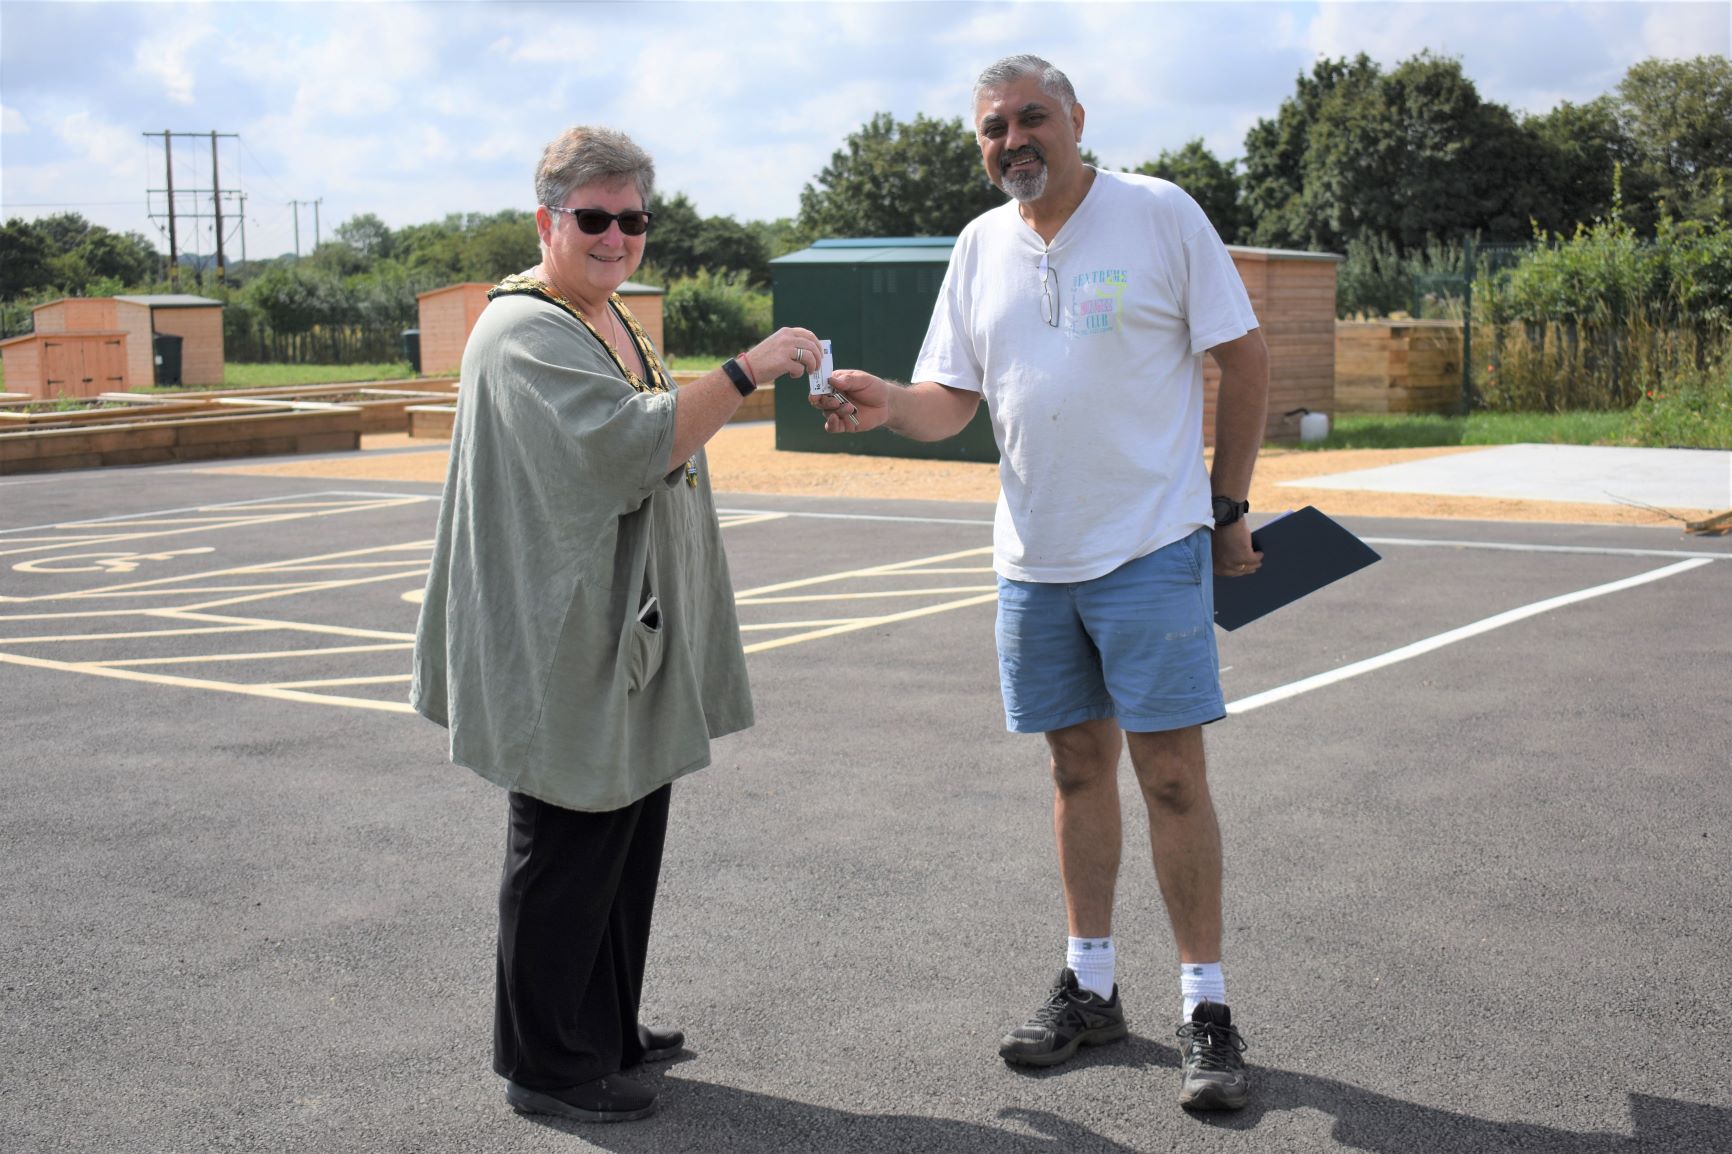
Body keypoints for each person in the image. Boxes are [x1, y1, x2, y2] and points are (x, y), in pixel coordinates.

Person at [813, 56, 1269, 1112]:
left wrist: (1228, 505)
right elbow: (951, 401)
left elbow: (1243, 362)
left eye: (1029, 118)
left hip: (1151, 543)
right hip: (1032, 557)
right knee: (1074, 769)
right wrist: (887, 403)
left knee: (1169, 777)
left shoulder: (1157, 213)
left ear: (1074, 119)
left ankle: (1204, 1006)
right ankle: (1092, 985)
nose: (1011, 139)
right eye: (990, 127)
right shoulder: (979, 246)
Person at [412, 125, 825, 1124]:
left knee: (623, 827)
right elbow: (626, 447)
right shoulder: (526, 330)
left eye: (632, 219)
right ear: (547, 220)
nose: (614, 236)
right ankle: (547, 1061)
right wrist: (745, 370)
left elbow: (653, 433)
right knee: (565, 837)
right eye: (593, 218)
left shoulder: (604, 316)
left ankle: (603, 1021)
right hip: (560, 635)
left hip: (613, 626)